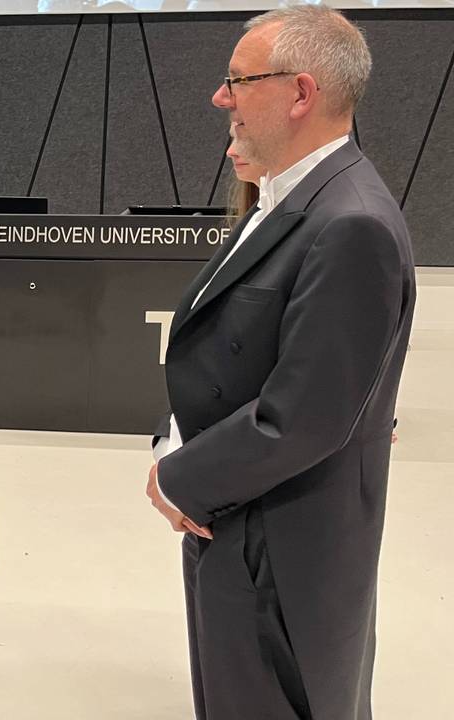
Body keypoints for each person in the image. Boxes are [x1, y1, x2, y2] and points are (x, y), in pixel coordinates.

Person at [147, 6, 415, 718]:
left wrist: (176, 477)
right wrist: (177, 437)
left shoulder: (350, 222)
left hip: (281, 549)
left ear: (300, 93)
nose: (220, 97)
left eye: (238, 80)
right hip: (241, 521)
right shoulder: (292, 200)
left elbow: (303, 416)